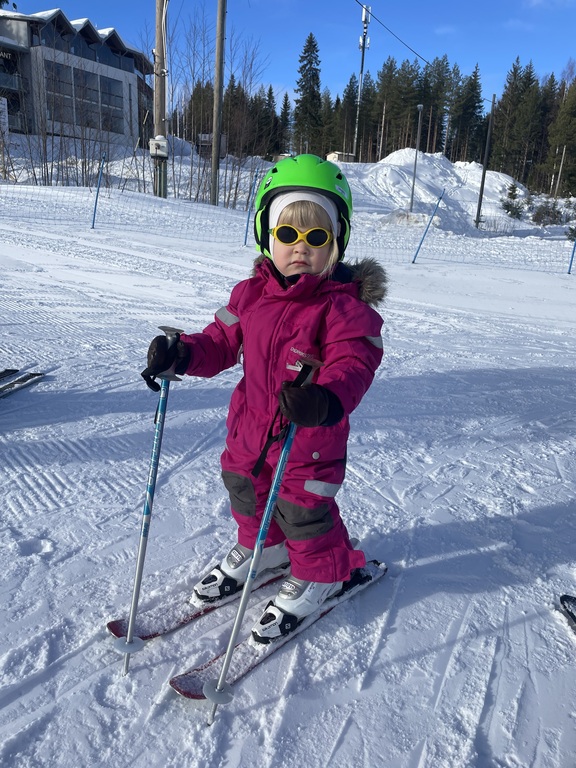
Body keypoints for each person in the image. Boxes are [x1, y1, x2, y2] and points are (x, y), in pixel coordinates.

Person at [142, 154, 387, 643]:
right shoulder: (249, 295)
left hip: (308, 435)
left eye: (316, 236)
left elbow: (354, 363)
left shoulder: (345, 309)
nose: (301, 247)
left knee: (303, 508)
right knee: (245, 490)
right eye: (287, 233)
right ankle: (267, 549)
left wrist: (326, 398)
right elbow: (219, 341)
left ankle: (324, 572)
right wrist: (183, 353)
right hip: (250, 428)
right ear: (266, 235)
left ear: (336, 242)